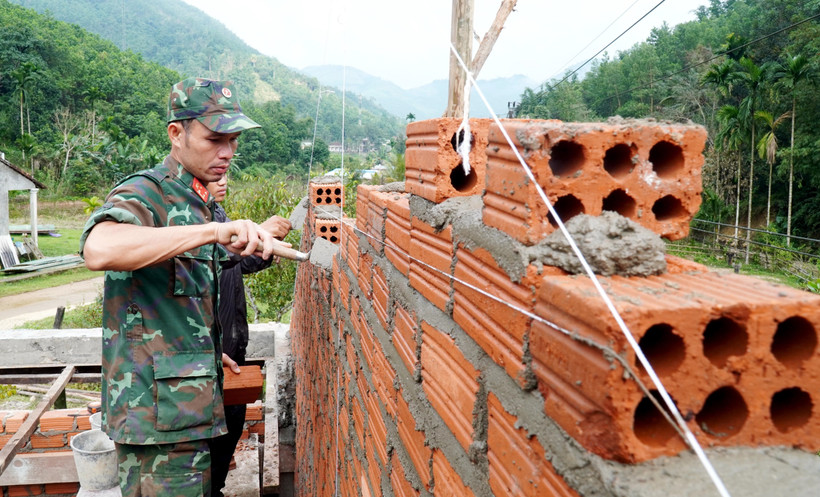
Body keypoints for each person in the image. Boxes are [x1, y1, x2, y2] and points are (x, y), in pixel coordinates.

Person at [80, 77, 289, 497]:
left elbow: (178, 299)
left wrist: (211, 353)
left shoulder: (196, 200)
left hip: (187, 406)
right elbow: (99, 249)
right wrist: (211, 231)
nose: (227, 153)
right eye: (215, 139)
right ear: (177, 133)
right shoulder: (147, 191)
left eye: (232, 141)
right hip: (157, 424)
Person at [206, 175, 291, 496]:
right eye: (216, 175)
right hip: (207, 361)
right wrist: (259, 231)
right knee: (207, 448)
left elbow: (241, 262)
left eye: (227, 173)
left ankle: (217, 487)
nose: (224, 180)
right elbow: (210, 260)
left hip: (232, 356)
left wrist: (270, 242)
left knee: (229, 431)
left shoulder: (219, 215)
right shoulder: (191, 224)